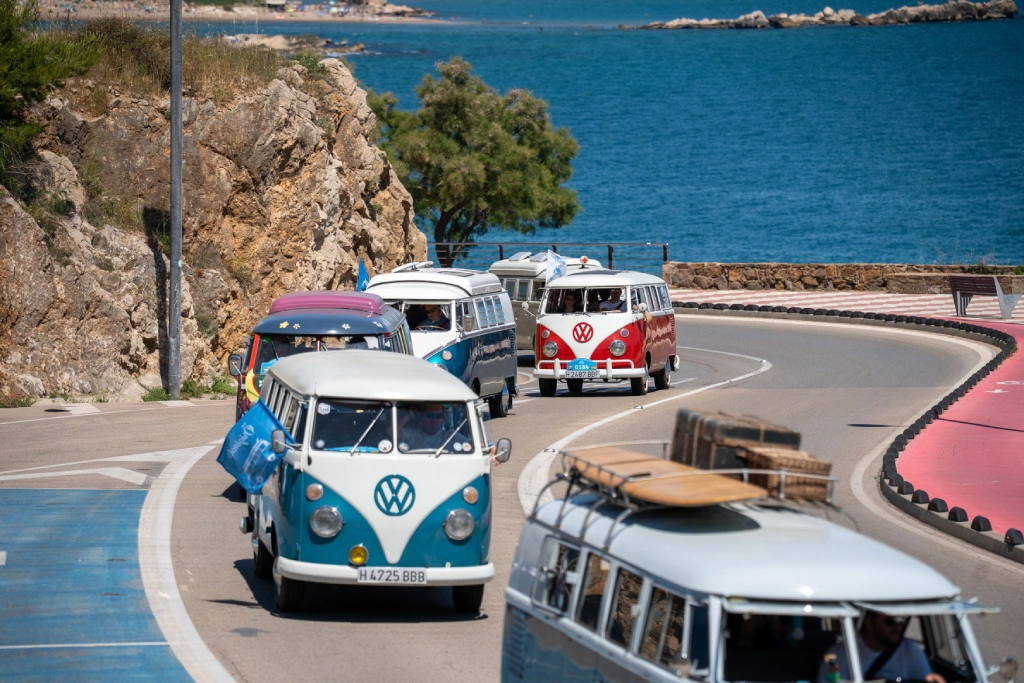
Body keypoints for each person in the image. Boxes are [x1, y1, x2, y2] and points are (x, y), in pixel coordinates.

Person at [817, 612, 945, 683]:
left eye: (901, 621)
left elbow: (925, 677)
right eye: (890, 622)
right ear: (869, 624)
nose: (897, 627)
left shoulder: (911, 651)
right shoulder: (839, 655)